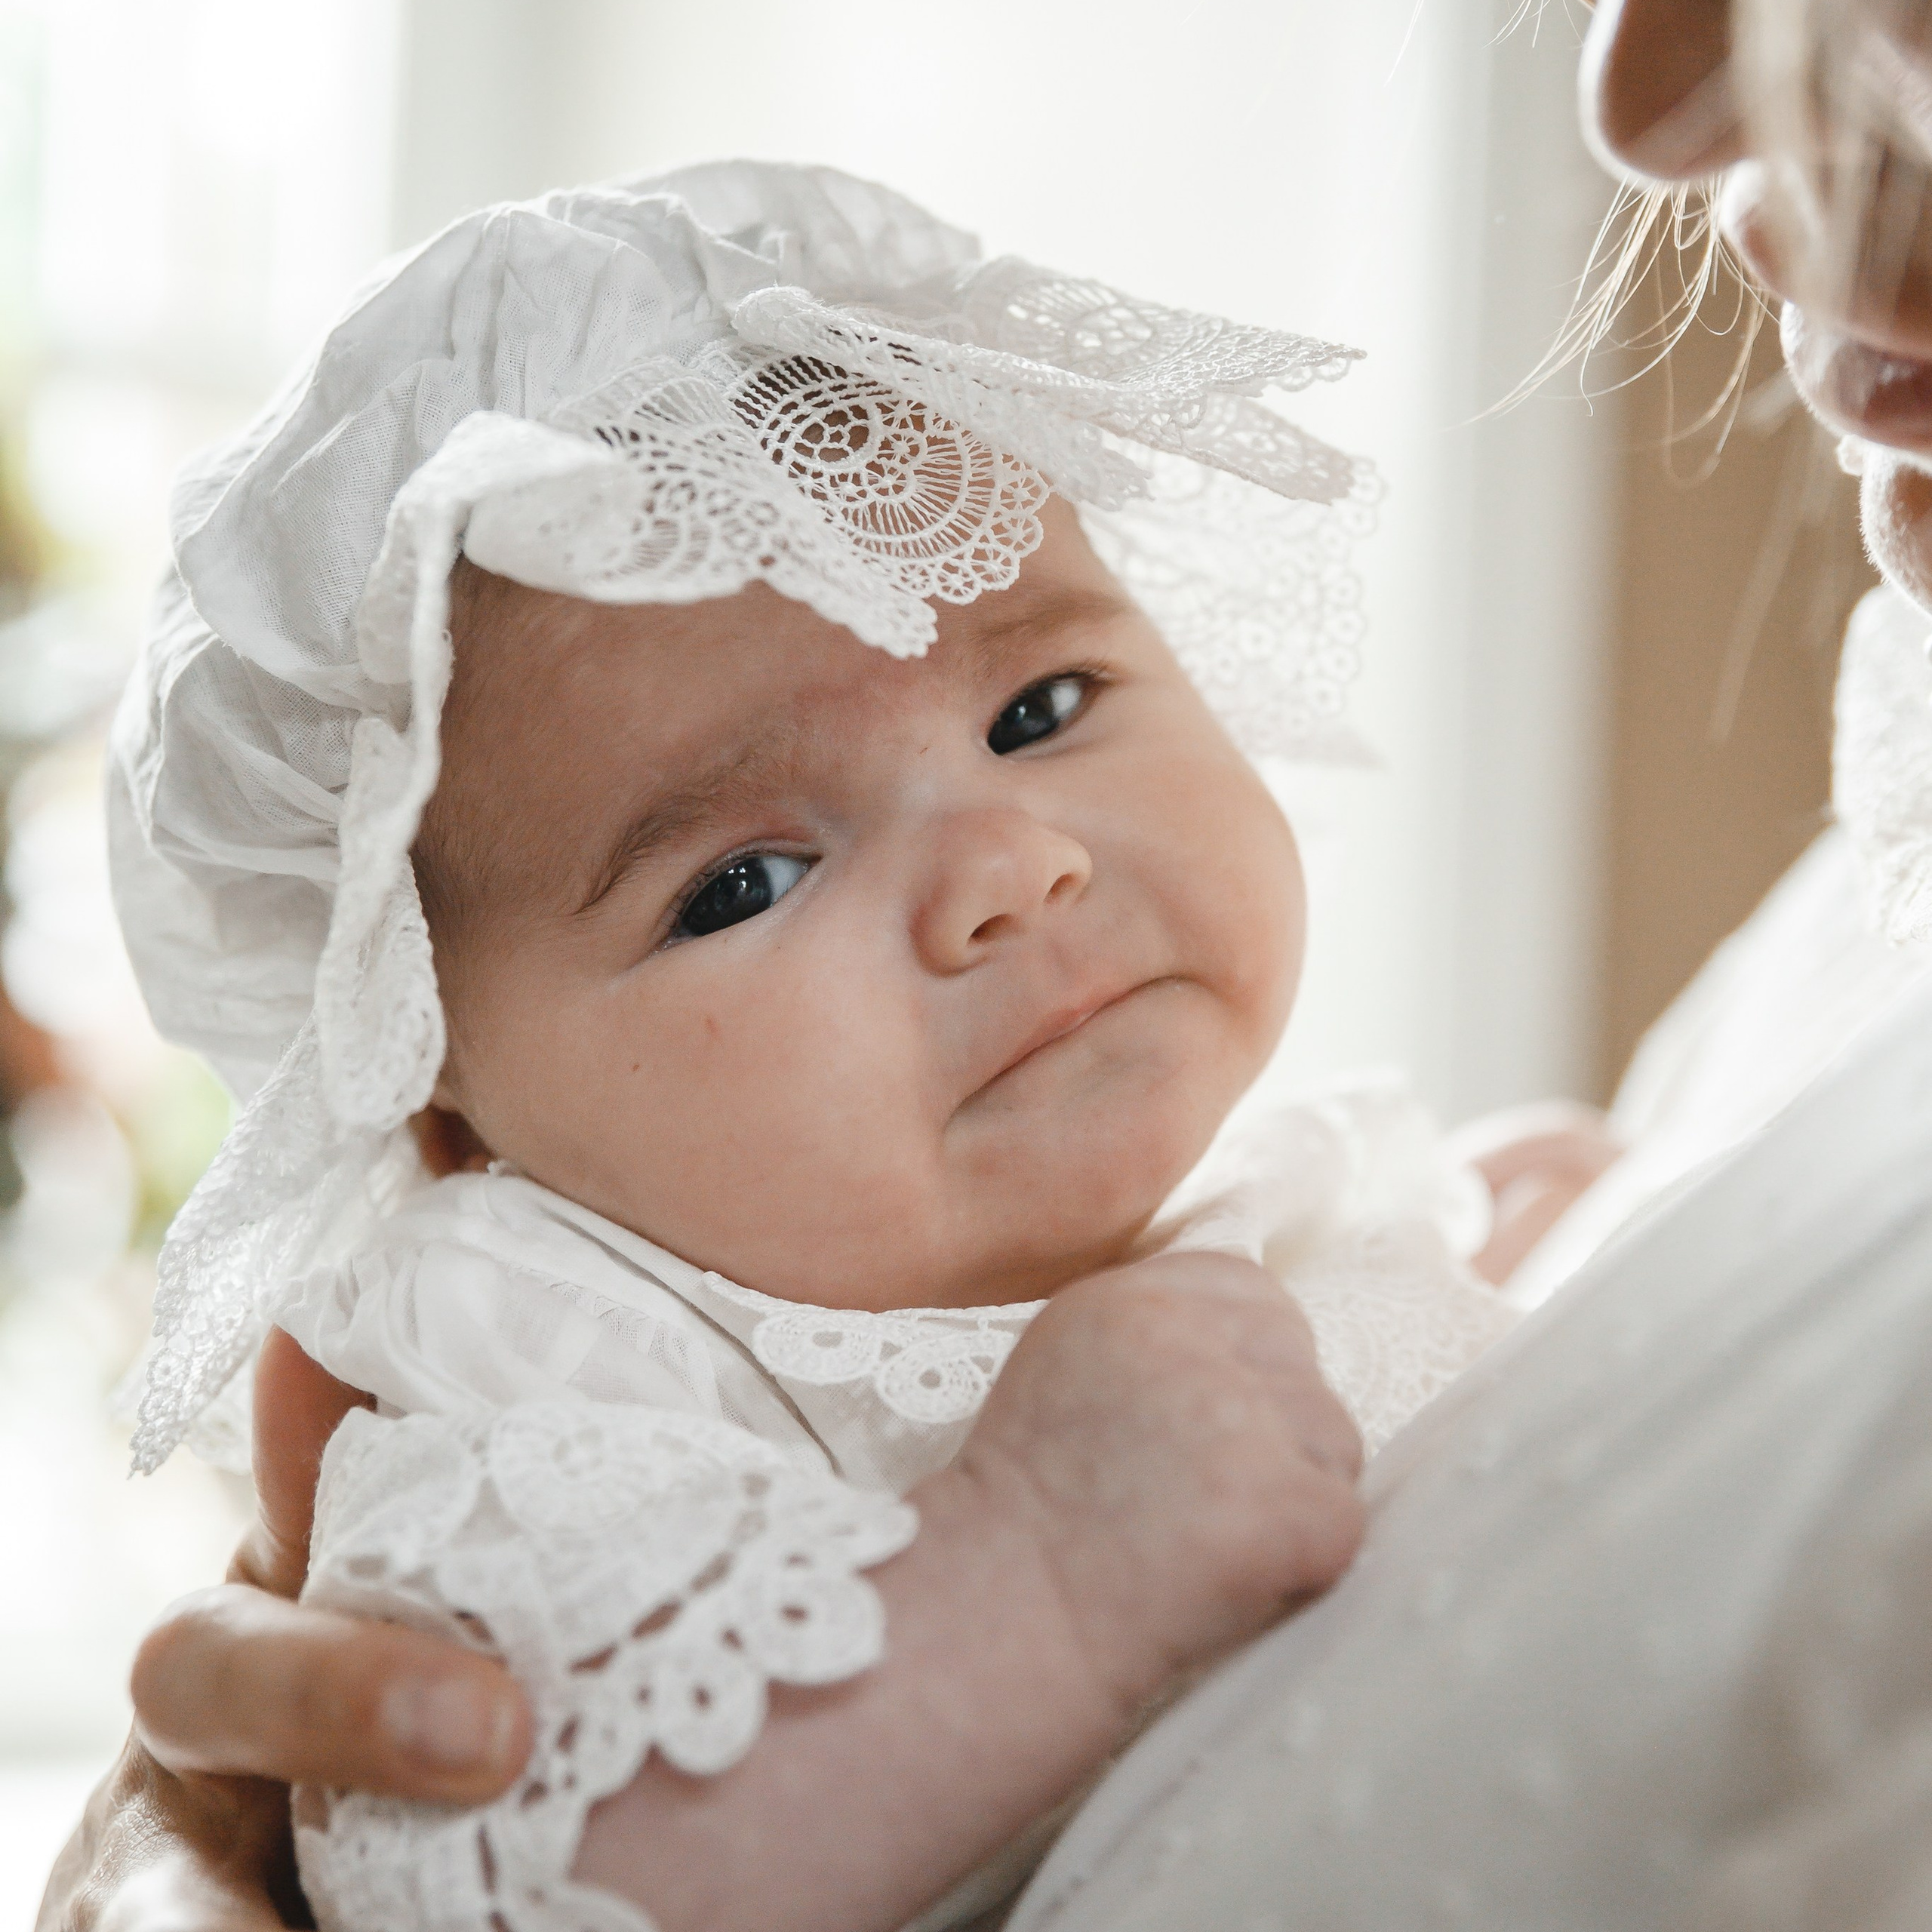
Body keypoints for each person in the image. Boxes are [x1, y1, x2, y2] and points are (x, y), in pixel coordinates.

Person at [65, 0, 1927, 1917]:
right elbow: (485, 1852)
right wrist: (1028, 1569)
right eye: (740, 882)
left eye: (1040, 702)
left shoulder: (1139, 1221)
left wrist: (1472, 1301)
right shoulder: (559, 1372)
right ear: (450, 1125)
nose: (1008, 867)